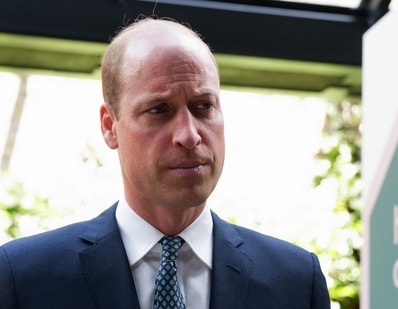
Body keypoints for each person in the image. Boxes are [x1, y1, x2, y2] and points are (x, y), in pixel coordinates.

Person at [0, 17, 330, 309]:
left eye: (203, 106)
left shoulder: (296, 281)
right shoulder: (24, 277)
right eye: (159, 109)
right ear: (109, 126)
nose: (188, 135)